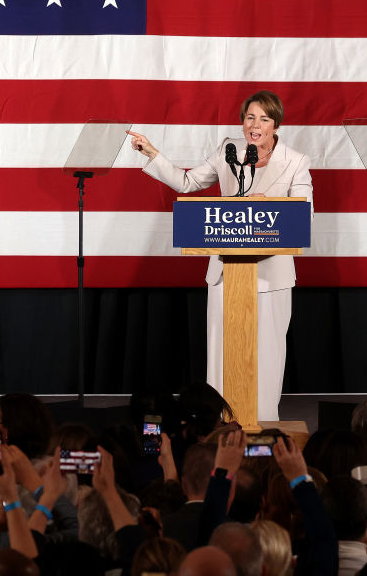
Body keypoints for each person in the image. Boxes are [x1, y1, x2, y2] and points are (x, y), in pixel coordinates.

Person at [128, 90, 314, 421]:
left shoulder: (296, 161)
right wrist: (152, 152)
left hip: (272, 275)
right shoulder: (229, 152)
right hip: (226, 272)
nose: (255, 125)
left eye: (264, 119)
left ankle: (264, 420)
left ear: (276, 124)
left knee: (267, 353)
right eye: (250, 117)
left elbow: (303, 215)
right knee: (221, 351)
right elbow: (187, 183)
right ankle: (220, 422)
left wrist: (265, 206)